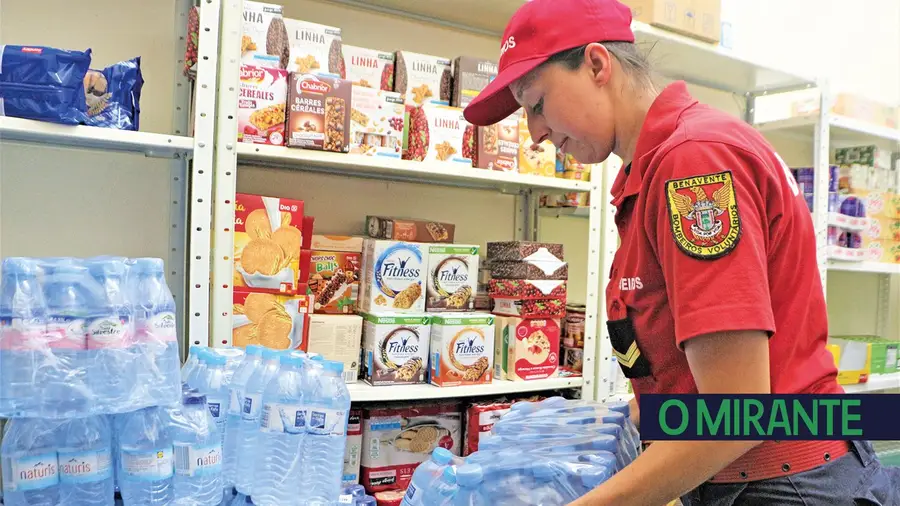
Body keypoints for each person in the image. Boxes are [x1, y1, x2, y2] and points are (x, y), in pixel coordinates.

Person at [463, 0, 900, 505]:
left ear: (597, 65)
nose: (535, 133)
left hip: (782, 485)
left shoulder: (694, 164)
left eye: (537, 104)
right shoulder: (654, 170)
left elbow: (737, 411)